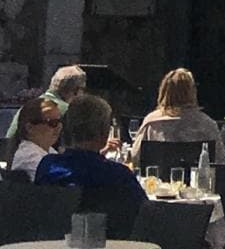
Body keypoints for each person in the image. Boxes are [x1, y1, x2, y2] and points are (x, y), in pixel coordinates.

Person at [39, 93, 148, 232]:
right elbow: (145, 216)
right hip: (108, 247)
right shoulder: (117, 175)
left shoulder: (47, 166)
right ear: (104, 133)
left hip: (54, 244)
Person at [132, 67, 224, 159]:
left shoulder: (151, 123)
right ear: (192, 92)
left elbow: (135, 157)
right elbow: (221, 162)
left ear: (164, 91)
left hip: (158, 173)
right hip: (195, 173)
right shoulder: (207, 124)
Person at [9, 97, 63, 174]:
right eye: (52, 123)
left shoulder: (50, 151)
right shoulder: (29, 157)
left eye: (60, 121)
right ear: (29, 128)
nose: (59, 127)